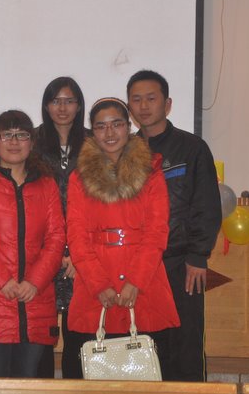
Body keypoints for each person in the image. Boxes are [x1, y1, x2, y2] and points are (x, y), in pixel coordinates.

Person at [66, 97, 179, 371]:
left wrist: (135, 282)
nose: (109, 132)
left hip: (145, 282)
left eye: (116, 124)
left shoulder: (151, 172)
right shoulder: (79, 178)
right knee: (96, 375)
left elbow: (156, 232)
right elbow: (76, 236)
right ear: (92, 131)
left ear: (128, 127)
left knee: (148, 372)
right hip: (95, 284)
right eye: (101, 126)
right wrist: (99, 284)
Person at [126, 70, 222, 381]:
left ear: (167, 104)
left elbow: (206, 205)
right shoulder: (124, 151)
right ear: (129, 107)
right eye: (136, 100)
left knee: (185, 348)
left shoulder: (192, 148)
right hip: (139, 266)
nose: (144, 106)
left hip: (181, 264)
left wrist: (198, 255)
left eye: (151, 99)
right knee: (144, 349)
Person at [0, 110, 65, 378]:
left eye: (22, 135)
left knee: (27, 382)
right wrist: (2, 280)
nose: (14, 142)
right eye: (7, 135)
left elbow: (56, 238)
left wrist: (34, 282)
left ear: (32, 142)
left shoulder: (47, 185)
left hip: (35, 298)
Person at [32, 76, 88, 379]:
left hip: (83, 255)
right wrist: (52, 252)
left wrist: (78, 254)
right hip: (42, 252)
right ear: (46, 105)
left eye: (69, 101)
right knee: (41, 337)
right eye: (55, 101)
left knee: (78, 339)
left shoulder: (94, 143)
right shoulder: (32, 142)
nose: (62, 107)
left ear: (79, 105)